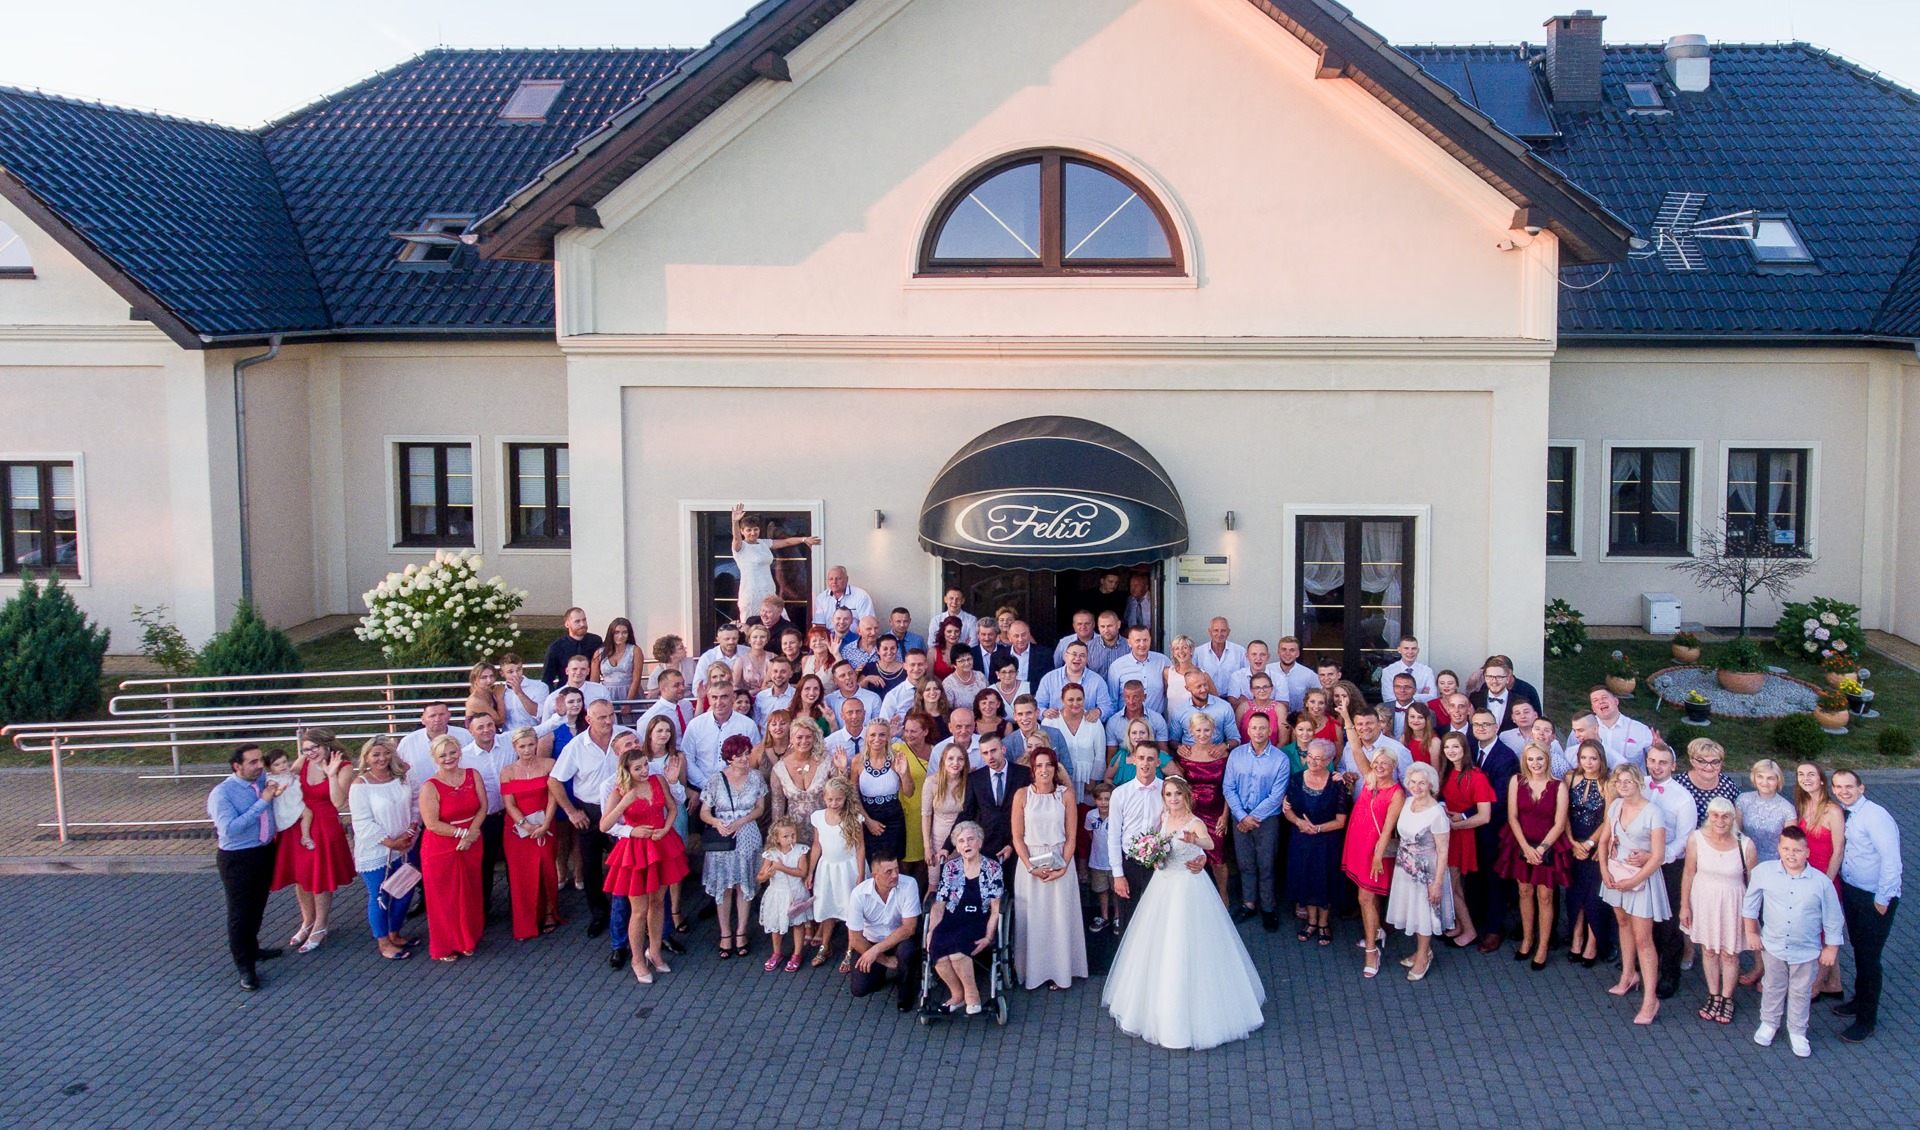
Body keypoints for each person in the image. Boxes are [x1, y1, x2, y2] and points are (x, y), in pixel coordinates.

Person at [1102, 775, 1267, 1049]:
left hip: (1189, 886)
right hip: (1164, 884)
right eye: (1168, 795)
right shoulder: (1164, 819)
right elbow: (1159, 845)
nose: (1173, 799)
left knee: (1189, 942)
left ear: (1186, 796)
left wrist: (1198, 846)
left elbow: (1211, 845)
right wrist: (1154, 859)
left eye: (1178, 794)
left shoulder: (1195, 822)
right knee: (1158, 942)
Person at [1744, 826, 1846, 1058]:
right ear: (1779, 849)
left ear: (1807, 852)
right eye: (1787, 849)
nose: (1791, 854)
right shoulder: (1764, 873)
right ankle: (1769, 1023)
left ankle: (1797, 1031)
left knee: (1801, 991)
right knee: (1772, 985)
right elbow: (1750, 905)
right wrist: (1751, 932)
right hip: (1774, 945)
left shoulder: (1821, 883)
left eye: (1798, 850)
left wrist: (1831, 947)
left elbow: (1833, 918)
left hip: (1806, 950)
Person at [601, 742, 689, 985]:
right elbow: (604, 825)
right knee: (638, 910)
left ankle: (655, 950)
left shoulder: (658, 780)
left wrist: (666, 828)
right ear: (627, 770)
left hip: (661, 844)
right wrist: (630, 826)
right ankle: (637, 959)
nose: (644, 771)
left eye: (645, 765)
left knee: (658, 902)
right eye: (638, 768)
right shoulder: (619, 791)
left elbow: (672, 808)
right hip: (637, 850)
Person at [209, 744, 289, 991]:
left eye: (259, 761)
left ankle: (254, 949)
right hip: (238, 858)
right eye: (252, 762)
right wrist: (263, 802)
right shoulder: (222, 793)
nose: (259, 766)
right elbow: (230, 828)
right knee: (240, 914)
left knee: (257, 906)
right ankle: (245, 967)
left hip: (264, 852)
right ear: (237, 766)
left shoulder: (262, 778)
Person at [270, 730, 357, 954]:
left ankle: (320, 925)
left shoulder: (344, 766)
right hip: (298, 822)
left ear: (326, 745)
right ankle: (307, 921)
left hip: (324, 824)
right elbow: (287, 775)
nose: (310, 753)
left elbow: (338, 802)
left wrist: (330, 774)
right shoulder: (305, 761)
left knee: (320, 876)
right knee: (301, 875)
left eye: (315, 747)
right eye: (306, 749)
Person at [1831, 769, 1901, 1043]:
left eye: (1849, 786)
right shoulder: (1845, 812)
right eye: (1837, 786)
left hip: (1874, 898)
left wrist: (1882, 901)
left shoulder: (1876, 817)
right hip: (1853, 891)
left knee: (1870, 959)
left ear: (1862, 788)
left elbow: (1892, 863)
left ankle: (1866, 1021)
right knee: (1860, 951)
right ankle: (1859, 1001)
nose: (1843, 791)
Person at [1010, 749, 1088, 990]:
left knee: (1058, 919)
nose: (1044, 770)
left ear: (1056, 769)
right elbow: (1017, 837)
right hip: (1030, 865)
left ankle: (1060, 972)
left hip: (1060, 862)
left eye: (1049, 765)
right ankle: (1032, 972)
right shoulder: (1022, 795)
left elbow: (1072, 838)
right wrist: (1030, 866)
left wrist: (1063, 868)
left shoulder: (1066, 795)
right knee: (1033, 920)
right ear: (1032, 770)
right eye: (1039, 765)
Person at [1599, 764, 1669, 1025]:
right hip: (1617, 876)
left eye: (1628, 781)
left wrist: (1634, 881)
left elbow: (1659, 856)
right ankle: (1628, 975)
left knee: (1644, 940)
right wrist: (1604, 869)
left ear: (1640, 783)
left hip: (1642, 881)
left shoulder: (1653, 813)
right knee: (1622, 923)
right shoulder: (1615, 806)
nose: (1623, 785)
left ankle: (1651, 999)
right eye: (1619, 782)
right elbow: (1605, 840)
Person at [1680, 796, 1758, 1024]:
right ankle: (1713, 995)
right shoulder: (1696, 839)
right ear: (1709, 816)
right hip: (1703, 901)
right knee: (1709, 951)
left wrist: (1750, 917)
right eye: (1715, 815)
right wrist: (1685, 905)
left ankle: (1727, 998)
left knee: (1729, 953)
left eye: (1725, 816)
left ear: (1733, 818)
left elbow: (1754, 885)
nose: (1720, 820)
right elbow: (1688, 873)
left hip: (1733, 904)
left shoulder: (1746, 845)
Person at [1497, 743, 1570, 969]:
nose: (1535, 764)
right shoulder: (1516, 782)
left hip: (1547, 848)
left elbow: (1560, 822)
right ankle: (1528, 938)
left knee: (1545, 896)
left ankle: (1543, 946)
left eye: (1540, 759)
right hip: (1521, 844)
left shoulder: (1558, 786)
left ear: (1547, 759)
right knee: (1524, 891)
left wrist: (1541, 848)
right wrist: (1526, 848)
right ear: (1524, 761)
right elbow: (1512, 817)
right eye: (1531, 760)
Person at [346, 737, 416, 960]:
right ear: (366, 757)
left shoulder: (401, 777)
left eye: (385, 753)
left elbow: (415, 803)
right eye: (375, 754)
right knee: (380, 896)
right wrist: (389, 841)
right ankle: (383, 941)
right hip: (377, 851)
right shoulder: (361, 785)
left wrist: (411, 829)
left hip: (403, 845)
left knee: (404, 891)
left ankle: (395, 933)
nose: (381, 758)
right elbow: (362, 822)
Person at [418, 735, 486, 962]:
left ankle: (468, 938)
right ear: (435, 758)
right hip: (441, 846)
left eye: (452, 752)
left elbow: (483, 806)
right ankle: (446, 945)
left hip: (472, 842)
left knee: (469, 891)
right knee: (445, 898)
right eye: (443, 755)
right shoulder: (430, 786)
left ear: (459, 751)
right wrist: (462, 834)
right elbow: (431, 823)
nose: (449, 758)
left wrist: (472, 833)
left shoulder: (472, 775)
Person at [701, 734, 768, 960]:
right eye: (738, 755)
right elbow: (704, 811)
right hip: (723, 836)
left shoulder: (757, 777)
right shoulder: (715, 780)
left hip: (747, 833)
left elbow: (760, 808)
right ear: (728, 758)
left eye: (747, 754)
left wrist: (742, 821)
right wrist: (717, 822)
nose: (744, 759)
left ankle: (741, 931)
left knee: (744, 884)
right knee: (724, 887)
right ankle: (725, 933)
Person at [926, 822, 1004, 1014]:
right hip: (953, 917)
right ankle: (957, 995)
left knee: (957, 948)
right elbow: (939, 904)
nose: (966, 844)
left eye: (970, 839)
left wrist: (988, 937)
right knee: (936, 947)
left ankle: (972, 995)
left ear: (979, 842)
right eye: (961, 841)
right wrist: (931, 931)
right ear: (957, 846)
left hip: (978, 918)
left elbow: (995, 910)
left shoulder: (992, 868)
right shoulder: (951, 868)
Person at [1385, 761, 1452, 982]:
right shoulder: (1408, 802)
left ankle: (1424, 956)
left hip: (1427, 871)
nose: (1417, 786)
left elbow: (1443, 851)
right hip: (1405, 867)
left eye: (1422, 783)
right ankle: (1421, 950)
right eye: (1413, 782)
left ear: (1431, 784)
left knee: (1424, 914)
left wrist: (1437, 882)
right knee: (1412, 910)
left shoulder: (1437, 814)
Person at [1224, 712, 1291, 931]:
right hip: (1240, 817)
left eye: (1262, 728)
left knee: (1266, 866)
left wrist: (1253, 818)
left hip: (1267, 820)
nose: (1258, 732)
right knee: (1245, 864)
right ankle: (1248, 903)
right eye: (1254, 728)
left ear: (1270, 729)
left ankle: (1268, 909)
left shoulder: (1280, 759)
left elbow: (1276, 795)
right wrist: (1242, 816)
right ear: (1248, 730)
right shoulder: (1236, 755)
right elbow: (1228, 787)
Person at [1343, 749, 1406, 979]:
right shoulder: (1370, 779)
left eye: (1385, 763)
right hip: (1358, 844)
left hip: (1374, 850)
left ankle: (1372, 951)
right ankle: (1377, 931)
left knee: (1365, 897)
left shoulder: (1397, 793)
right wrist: (1348, 719)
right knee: (1369, 896)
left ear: (1394, 766)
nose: (1379, 766)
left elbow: (1388, 830)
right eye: (1376, 762)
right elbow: (1357, 750)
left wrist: (1378, 856)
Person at [498, 726, 562, 941]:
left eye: (531, 745)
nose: (527, 750)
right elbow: (509, 804)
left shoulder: (549, 765)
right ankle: (525, 920)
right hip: (518, 831)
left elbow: (554, 796)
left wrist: (545, 823)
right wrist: (525, 825)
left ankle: (548, 912)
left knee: (546, 869)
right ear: (515, 747)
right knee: (521, 875)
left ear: (537, 744)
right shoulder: (507, 771)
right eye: (522, 746)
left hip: (546, 825)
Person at [1793, 761, 1849, 1004]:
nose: (1806, 778)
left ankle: (1815, 986)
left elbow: (1838, 850)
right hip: (1805, 875)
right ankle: (1834, 984)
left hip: (1825, 878)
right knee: (1819, 928)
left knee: (1825, 932)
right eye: (1801, 774)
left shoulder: (1832, 811)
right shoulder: (1804, 804)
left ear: (1822, 780)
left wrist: (1826, 883)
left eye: (1811, 774)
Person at [1282, 739, 1347, 944]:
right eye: (1310, 756)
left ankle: (1323, 924)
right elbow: (1287, 808)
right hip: (1301, 838)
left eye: (1318, 758)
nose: (1312, 761)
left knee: (1324, 880)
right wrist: (1299, 822)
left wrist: (1317, 828)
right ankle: (1311, 921)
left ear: (1329, 760)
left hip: (1327, 842)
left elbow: (1341, 821)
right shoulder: (1296, 778)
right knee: (1305, 879)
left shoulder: (1337, 784)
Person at [1466, 709, 1518, 955]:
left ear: (1496, 727)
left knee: (1494, 879)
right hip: (1471, 829)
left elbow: (1500, 797)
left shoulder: (1505, 756)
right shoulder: (1469, 749)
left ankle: (1495, 929)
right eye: (1477, 724)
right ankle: (1474, 923)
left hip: (1493, 827)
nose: (1481, 728)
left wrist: (1466, 814)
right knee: (1474, 876)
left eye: (1487, 724)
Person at [1437, 731, 1494, 949]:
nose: (1451, 751)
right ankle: (1460, 925)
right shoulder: (1447, 772)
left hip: (1463, 836)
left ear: (1464, 750)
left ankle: (1470, 931)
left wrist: (1456, 824)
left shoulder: (1477, 777)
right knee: (1454, 884)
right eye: (1447, 748)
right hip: (1449, 834)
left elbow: (1484, 816)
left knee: (1453, 885)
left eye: (1456, 747)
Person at [844, 851, 922, 1010]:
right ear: (874, 875)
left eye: (896, 869)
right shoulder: (858, 895)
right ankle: (880, 971)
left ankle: (905, 991)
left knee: (907, 951)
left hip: (900, 939)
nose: (895, 875)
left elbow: (909, 928)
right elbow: (855, 939)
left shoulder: (909, 884)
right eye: (888, 871)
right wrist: (884, 959)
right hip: (871, 940)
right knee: (860, 989)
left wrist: (875, 951)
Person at [1564, 739, 1616, 968]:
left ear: (1601, 759)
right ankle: (1576, 937)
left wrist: (1591, 843)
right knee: (1575, 894)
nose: (1588, 762)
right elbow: (1562, 812)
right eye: (1584, 758)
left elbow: (1609, 818)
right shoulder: (1571, 778)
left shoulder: (1608, 783)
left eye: (1593, 758)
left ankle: (1593, 942)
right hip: (1573, 842)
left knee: (1594, 897)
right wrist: (1572, 843)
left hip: (1596, 846)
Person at [458, 714, 515, 921]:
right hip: (485, 819)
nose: (486, 730)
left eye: (490, 725)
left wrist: (560, 715)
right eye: (480, 727)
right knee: (484, 865)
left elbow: (539, 730)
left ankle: (517, 905)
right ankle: (482, 909)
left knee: (515, 863)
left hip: (511, 815)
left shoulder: (508, 742)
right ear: (471, 731)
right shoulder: (463, 757)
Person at [808, 777, 868, 972]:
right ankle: (825, 945)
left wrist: (860, 873)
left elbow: (860, 846)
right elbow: (817, 845)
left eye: (838, 800)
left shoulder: (854, 817)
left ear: (845, 799)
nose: (834, 804)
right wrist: (810, 871)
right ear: (824, 798)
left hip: (848, 869)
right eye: (830, 799)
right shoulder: (818, 817)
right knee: (827, 906)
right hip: (827, 869)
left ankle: (851, 948)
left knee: (850, 910)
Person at [1172, 711, 1231, 901]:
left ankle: (1223, 897)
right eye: (1199, 730)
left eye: (1207, 730)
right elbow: (1179, 785)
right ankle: (1192, 899)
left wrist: (1225, 815)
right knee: (1190, 854)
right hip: (1192, 814)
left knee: (1217, 859)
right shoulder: (1184, 754)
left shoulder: (1222, 754)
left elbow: (1229, 787)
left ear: (1213, 731)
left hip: (1216, 814)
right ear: (1191, 731)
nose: (1203, 734)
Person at [731, 505, 818, 624]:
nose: (753, 533)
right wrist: (735, 521)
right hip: (751, 592)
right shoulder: (741, 548)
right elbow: (736, 538)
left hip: (768, 591)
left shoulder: (763, 543)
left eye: (755, 529)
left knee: (781, 622)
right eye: (748, 530)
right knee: (752, 626)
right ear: (742, 531)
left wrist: (804, 539)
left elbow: (786, 542)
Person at [957, 736, 1030, 862]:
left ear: (1003, 749)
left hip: (1018, 845)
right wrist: (946, 847)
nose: (990, 756)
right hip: (987, 847)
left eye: (993, 751)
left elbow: (1030, 813)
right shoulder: (975, 779)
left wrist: (1013, 844)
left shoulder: (1023, 774)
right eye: (985, 753)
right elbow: (967, 813)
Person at [770, 723, 838, 854]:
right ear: (791, 738)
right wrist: (778, 838)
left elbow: (841, 791)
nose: (804, 741)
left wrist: (841, 769)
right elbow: (777, 806)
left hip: (825, 828)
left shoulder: (827, 761)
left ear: (814, 738)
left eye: (808, 737)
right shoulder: (779, 769)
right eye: (799, 737)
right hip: (794, 834)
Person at [853, 718, 913, 861]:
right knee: (871, 862)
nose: (877, 739)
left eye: (882, 735)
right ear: (866, 737)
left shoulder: (897, 759)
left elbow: (909, 792)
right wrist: (868, 821)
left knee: (894, 862)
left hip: (893, 819)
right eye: (873, 735)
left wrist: (904, 774)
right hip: (868, 817)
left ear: (888, 737)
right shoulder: (857, 761)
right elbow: (853, 796)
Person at [758, 817, 811, 972]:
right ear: (777, 839)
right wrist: (767, 875)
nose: (791, 839)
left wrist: (781, 868)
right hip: (777, 894)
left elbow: (802, 872)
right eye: (786, 836)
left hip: (796, 893)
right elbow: (760, 876)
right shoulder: (771, 854)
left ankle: (797, 954)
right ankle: (777, 952)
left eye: (793, 835)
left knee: (798, 924)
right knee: (776, 924)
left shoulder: (801, 850)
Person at [1043, 683, 1107, 803]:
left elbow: (1100, 755)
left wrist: (1093, 781)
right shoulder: (1050, 722)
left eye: (1079, 699)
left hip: (1087, 782)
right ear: (1062, 700)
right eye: (1070, 700)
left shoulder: (1093, 722)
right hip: (1059, 780)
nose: (1075, 703)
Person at [396, 702, 473, 793]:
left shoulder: (466, 736)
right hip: (420, 799)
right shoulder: (408, 743)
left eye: (441, 714)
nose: (437, 719)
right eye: (432, 716)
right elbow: (397, 770)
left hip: (460, 796)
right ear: (423, 720)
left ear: (449, 715)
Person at [920, 738, 972, 872]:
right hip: (938, 841)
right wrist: (927, 847)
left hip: (964, 841)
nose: (955, 763)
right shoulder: (932, 782)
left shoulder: (970, 782)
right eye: (951, 759)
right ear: (943, 760)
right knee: (935, 884)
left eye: (960, 759)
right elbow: (926, 815)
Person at [1108, 626, 1172, 716]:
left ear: (1150, 640)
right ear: (1129, 643)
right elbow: (1112, 701)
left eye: (1145, 640)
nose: (1142, 644)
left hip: (1155, 722)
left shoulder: (1163, 661)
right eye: (1137, 641)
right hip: (1127, 722)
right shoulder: (1117, 666)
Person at [1677, 738, 1741, 826]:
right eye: (1702, 761)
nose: (1709, 767)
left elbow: (1737, 817)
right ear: (1692, 761)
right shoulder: (1679, 785)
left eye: (1715, 762)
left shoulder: (1728, 785)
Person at [1588, 687, 1654, 770]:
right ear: (1593, 708)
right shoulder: (1584, 728)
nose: (1601, 702)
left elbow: (1662, 757)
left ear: (1616, 701)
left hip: (1632, 781)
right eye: (1595, 700)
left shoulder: (1639, 729)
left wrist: (1660, 747)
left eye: (1604, 697)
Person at [1168, 670, 1238, 746]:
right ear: (1188, 688)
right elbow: (1173, 740)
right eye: (1198, 686)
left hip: (1216, 754)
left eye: (1205, 684)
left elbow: (1235, 739)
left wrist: (1224, 747)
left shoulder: (1224, 707)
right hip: (1188, 754)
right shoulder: (1180, 710)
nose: (1203, 689)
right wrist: (1179, 747)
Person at [543, 607, 603, 688]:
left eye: (584, 620)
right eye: (577, 621)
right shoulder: (556, 648)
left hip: (591, 690)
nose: (582, 624)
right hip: (566, 692)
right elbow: (547, 679)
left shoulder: (596, 641)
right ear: (567, 624)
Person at [592, 618, 645, 708]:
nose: (620, 636)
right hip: (607, 694)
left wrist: (629, 702)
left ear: (629, 634)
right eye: (617, 632)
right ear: (611, 633)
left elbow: (636, 679)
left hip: (629, 692)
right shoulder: (599, 652)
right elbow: (594, 681)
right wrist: (596, 700)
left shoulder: (635, 651)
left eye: (624, 632)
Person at [1085, 781, 1116, 931]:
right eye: (1100, 799)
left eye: (1107, 799)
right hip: (1097, 861)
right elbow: (1090, 833)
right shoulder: (1091, 815)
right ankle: (1105, 917)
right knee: (1102, 890)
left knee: (1117, 891)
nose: (1103, 802)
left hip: (1115, 862)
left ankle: (1117, 918)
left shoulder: (1118, 816)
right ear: (1095, 800)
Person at [1193, 617, 1248, 690]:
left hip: (1232, 698)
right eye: (1216, 630)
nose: (1219, 634)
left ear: (1228, 632)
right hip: (1206, 697)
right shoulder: (1198, 652)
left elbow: (1247, 676)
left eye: (1223, 631)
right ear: (1209, 632)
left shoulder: (1240, 651)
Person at [463, 661, 505, 730]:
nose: (489, 681)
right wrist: (500, 697)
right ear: (475, 679)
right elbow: (500, 721)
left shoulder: (487, 691)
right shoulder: (475, 700)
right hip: (479, 736)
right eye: (484, 677)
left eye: (491, 676)